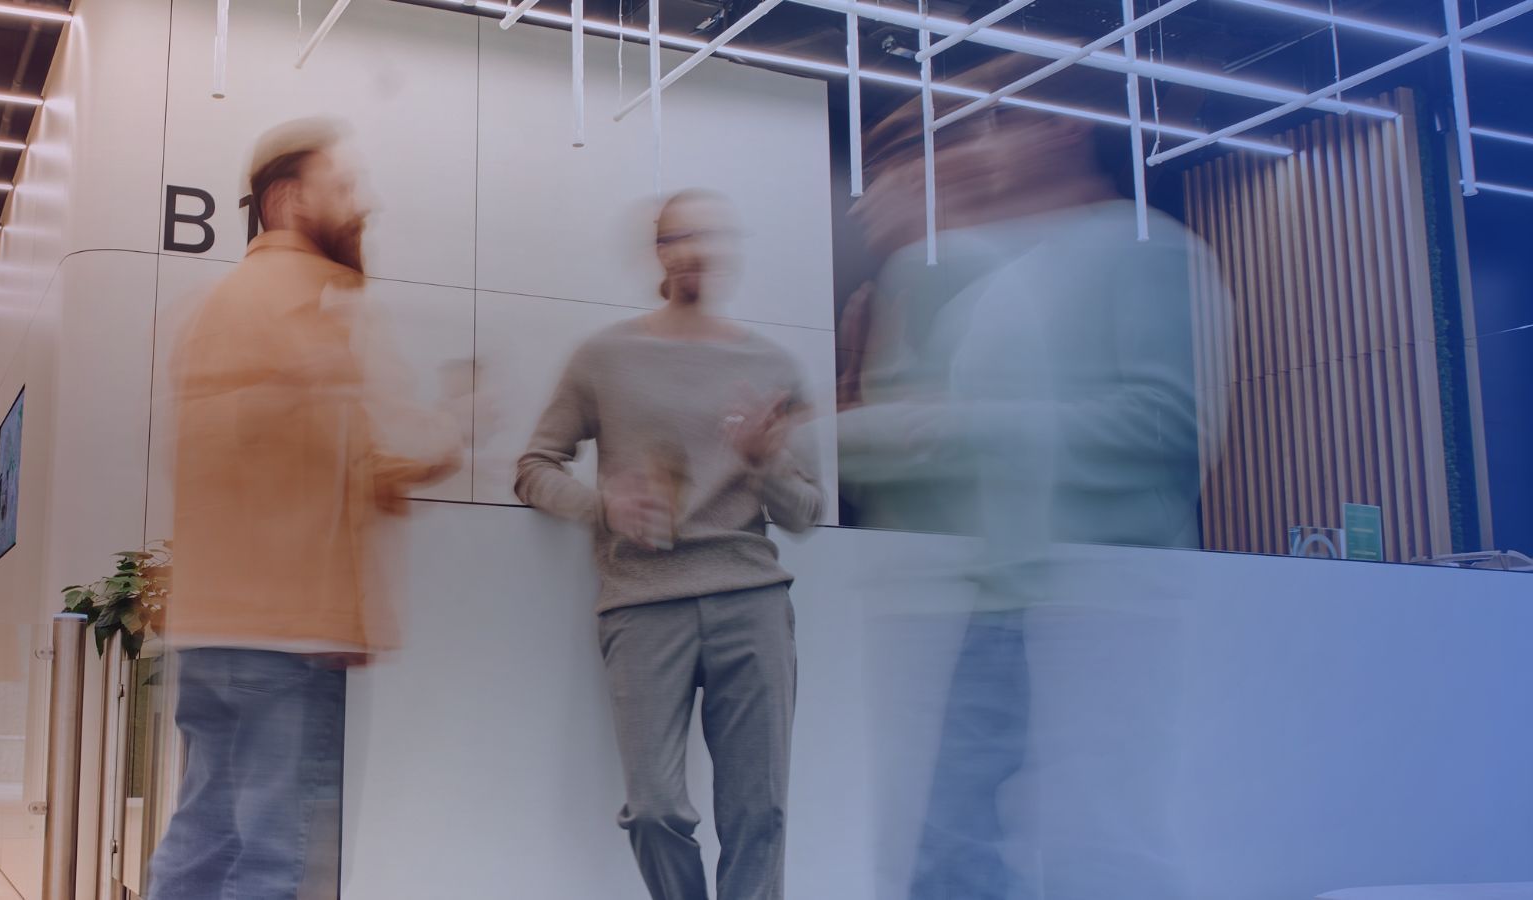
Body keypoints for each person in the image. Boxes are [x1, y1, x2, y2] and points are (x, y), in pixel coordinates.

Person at [840, 55, 1220, 900]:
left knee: (1097, 855)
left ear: (1065, 127)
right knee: (952, 854)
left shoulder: (1147, 248)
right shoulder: (1002, 283)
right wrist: (812, 439)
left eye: (1000, 123)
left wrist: (944, 424)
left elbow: (1167, 426)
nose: (982, 145)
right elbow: (942, 442)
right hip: (1003, 601)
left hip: (1103, 600)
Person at [148, 118, 466, 900]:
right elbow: (371, 451)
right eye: (343, 187)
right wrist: (449, 430)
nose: (363, 205)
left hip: (212, 627)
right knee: (275, 858)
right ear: (290, 200)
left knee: (201, 835)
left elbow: (290, 456)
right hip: (290, 636)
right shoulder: (316, 310)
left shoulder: (216, 309)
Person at [516, 190, 823, 900]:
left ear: (726, 251)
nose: (693, 249)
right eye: (677, 236)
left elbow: (807, 511)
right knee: (654, 809)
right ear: (657, 250)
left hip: (751, 601)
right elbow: (533, 469)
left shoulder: (770, 363)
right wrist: (604, 506)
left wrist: (762, 461)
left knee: (760, 813)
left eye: (708, 236)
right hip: (642, 604)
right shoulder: (605, 357)